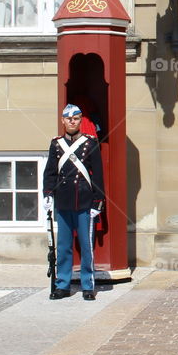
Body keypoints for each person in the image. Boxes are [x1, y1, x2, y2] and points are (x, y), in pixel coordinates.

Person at [42, 104, 105, 300]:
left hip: (85, 201)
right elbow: (51, 171)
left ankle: (87, 285)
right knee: (63, 246)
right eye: (68, 118)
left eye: (76, 118)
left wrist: (98, 202)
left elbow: (98, 176)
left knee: (86, 246)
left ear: (80, 121)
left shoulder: (90, 142)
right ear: (63, 121)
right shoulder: (56, 144)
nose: (72, 121)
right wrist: (48, 193)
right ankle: (62, 284)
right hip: (63, 201)